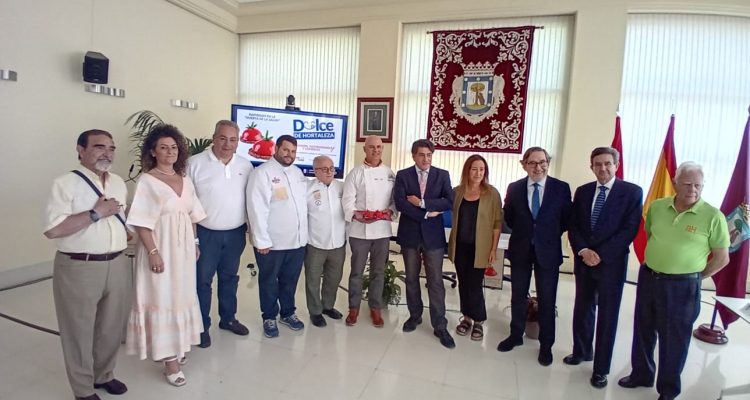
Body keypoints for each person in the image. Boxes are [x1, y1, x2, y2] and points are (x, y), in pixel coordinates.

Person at [618, 162, 729, 400]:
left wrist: (695, 277)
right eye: (687, 184)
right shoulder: (657, 207)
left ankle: (668, 389)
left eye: (698, 185)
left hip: (683, 287)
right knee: (643, 329)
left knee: (674, 339)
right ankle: (641, 374)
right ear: (676, 183)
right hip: (649, 278)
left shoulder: (713, 216)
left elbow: (722, 258)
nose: (693, 190)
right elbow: (651, 235)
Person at [44, 129, 132, 400]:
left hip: (117, 263)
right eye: (99, 147)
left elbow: (122, 218)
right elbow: (53, 230)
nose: (107, 153)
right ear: (80, 150)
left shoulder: (118, 182)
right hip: (79, 266)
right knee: (78, 330)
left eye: (111, 148)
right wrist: (96, 213)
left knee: (111, 327)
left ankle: (104, 375)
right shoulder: (65, 184)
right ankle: (82, 389)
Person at [126, 124, 206, 387]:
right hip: (160, 249)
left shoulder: (186, 180)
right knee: (162, 297)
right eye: (164, 147)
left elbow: (192, 215)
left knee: (180, 296)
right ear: (153, 151)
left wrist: (195, 242)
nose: (170, 151)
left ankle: (177, 344)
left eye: (174, 147)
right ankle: (168, 359)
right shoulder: (147, 181)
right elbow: (141, 223)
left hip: (183, 252)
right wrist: (153, 252)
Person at [566, 147, 643, 388]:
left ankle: (601, 369)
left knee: (608, 316)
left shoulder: (631, 192)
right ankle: (581, 351)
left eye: (607, 163)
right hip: (584, 261)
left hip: (611, 264)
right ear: (591, 167)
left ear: (616, 165)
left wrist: (601, 255)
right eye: (598, 164)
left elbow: (629, 229)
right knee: (583, 309)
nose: (603, 168)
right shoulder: (583, 191)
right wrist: (583, 251)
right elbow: (574, 225)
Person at [497, 146, 572, 366]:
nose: (538, 167)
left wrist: (543, 235)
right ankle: (515, 335)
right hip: (521, 249)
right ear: (524, 165)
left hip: (548, 251)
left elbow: (565, 219)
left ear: (548, 163)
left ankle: (546, 344)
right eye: (532, 163)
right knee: (518, 295)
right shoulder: (515, 188)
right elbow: (509, 217)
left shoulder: (561, 188)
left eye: (542, 162)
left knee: (547, 298)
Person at [188, 120, 253, 348]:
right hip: (206, 234)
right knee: (202, 281)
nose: (227, 144)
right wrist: (193, 239)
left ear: (238, 141)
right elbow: (187, 203)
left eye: (233, 139)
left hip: (235, 233)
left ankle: (228, 319)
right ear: (214, 138)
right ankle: (201, 327)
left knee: (230, 278)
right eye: (223, 138)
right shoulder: (194, 164)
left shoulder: (245, 165)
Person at [394, 139, 455, 348]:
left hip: (433, 236)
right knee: (411, 278)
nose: (426, 159)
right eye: (421, 155)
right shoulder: (403, 175)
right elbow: (400, 203)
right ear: (413, 156)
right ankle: (415, 316)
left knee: (435, 280)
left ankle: (440, 325)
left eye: (429, 155)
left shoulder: (442, 175)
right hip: (410, 235)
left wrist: (422, 204)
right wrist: (427, 214)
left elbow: (449, 201)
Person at [246, 135, 308, 338]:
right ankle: (269, 316)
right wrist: (261, 240)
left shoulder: (298, 173)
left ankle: (288, 313)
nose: (290, 154)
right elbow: (256, 209)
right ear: (276, 149)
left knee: (290, 280)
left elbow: (301, 207)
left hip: (297, 241)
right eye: (286, 150)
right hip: (271, 243)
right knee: (269, 281)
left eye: (293, 151)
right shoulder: (262, 173)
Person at [342, 135, 397, 327]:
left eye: (379, 147)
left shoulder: (389, 173)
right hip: (360, 231)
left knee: (378, 272)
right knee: (356, 272)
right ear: (364, 149)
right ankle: (353, 309)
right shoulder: (355, 173)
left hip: (382, 231)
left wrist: (390, 211)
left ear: (383, 149)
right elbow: (347, 201)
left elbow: (394, 201)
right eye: (372, 147)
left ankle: (375, 308)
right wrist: (357, 215)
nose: (376, 150)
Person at [447, 155, 502, 343]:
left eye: (482, 169)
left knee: (475, 285)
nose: (478, 173)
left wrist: (493, 249)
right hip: (460, 246)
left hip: (481, 247)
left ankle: (478, 320)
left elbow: (497, 222)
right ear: (467, 171)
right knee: (463, 283)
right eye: (474, 169)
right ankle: (467, 318)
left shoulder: (491, 193)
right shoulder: (457, 192)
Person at [304, 155, 346, 327]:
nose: (329, 172)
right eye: (324, 169)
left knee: (333, 278)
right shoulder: (307, 189)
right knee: (313, 280)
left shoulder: (342, 187)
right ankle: (315, 311)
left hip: (338, 244)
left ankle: (328, 306)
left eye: (331, 168)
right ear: (315, 171)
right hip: (316, 243)